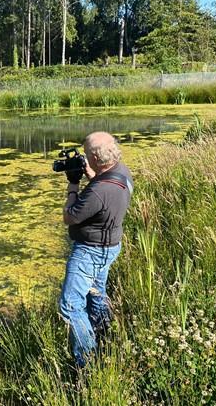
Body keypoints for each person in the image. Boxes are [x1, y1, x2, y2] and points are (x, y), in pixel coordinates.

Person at [59, 132, 133, 368]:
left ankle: (87, 362)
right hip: (110, 246)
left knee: (70, 306)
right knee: (96, 293)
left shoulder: (99, 190)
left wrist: (73, 184)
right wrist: (92, 176)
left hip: (90, 252)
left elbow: (69, 216)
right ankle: (105, 336)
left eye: (85, 153)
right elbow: (102, 194)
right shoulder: (121, 171)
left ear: (93, 157)